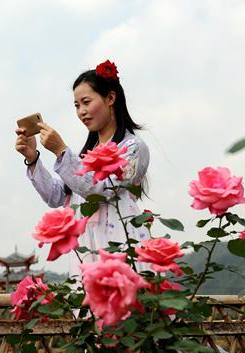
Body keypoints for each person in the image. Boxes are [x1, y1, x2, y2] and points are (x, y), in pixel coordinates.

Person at [15, 60, 150, 276]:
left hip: (121, 243)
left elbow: (100, 191)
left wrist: (60, 150)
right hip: (86, 248)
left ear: (110, 98)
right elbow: (57, 196)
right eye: (77, 106)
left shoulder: (133, 147)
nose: (81, 112)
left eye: (86, 102)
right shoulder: (85, 156)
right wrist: (33, 159)